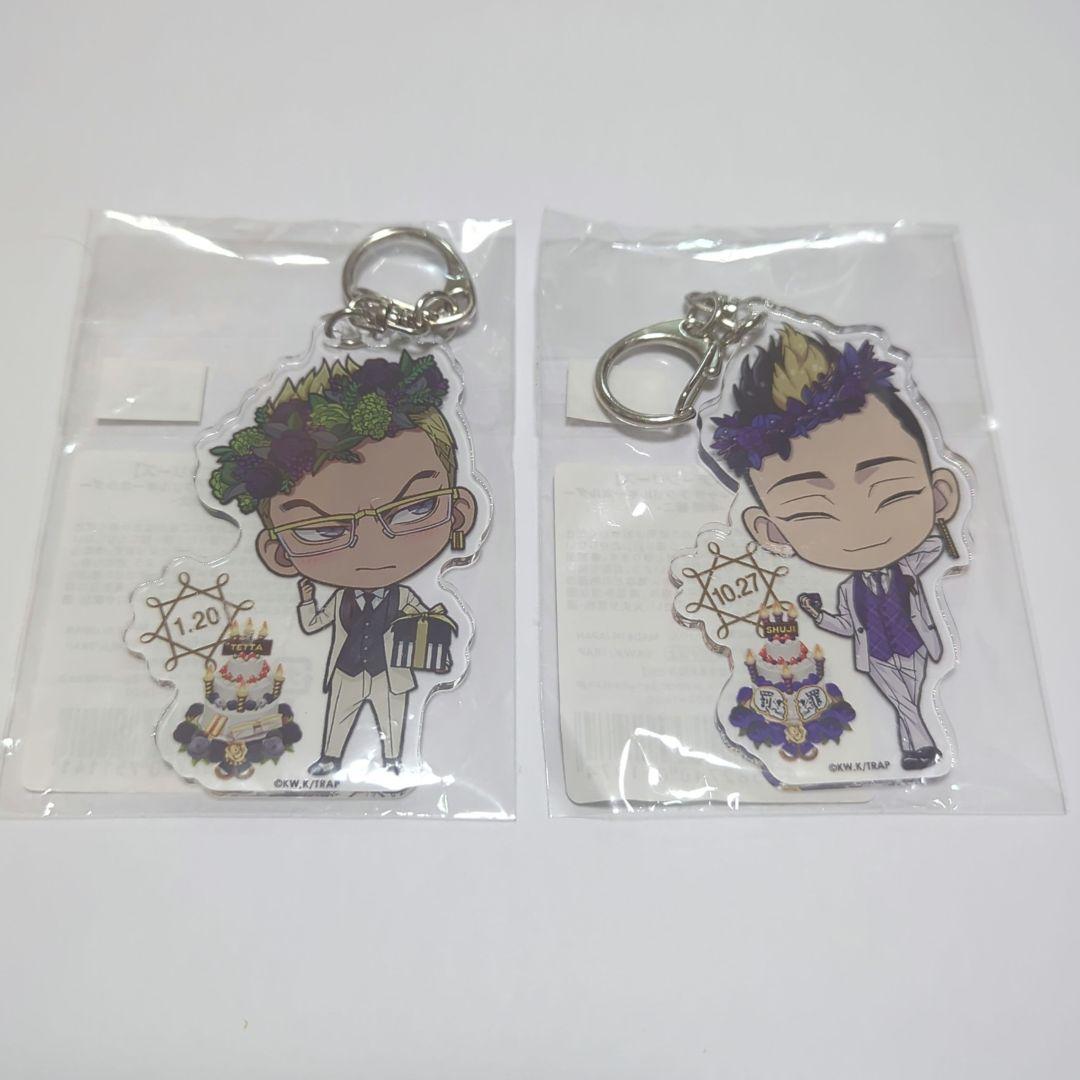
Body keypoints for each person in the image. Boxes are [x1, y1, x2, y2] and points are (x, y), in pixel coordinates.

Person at [208, 352, 477, 775]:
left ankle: (394, 760)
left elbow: (422, 615)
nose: (372, 545)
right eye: (321, 529)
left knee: (393, 717)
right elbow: (315, 623)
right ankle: (331, 758)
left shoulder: (403, 596)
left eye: (413, 508)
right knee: (338, 714)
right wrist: (306, 600)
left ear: (458, 514)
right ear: (279, 553)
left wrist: (434, 618)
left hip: (392, 672)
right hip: (347, 672)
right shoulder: (341, 602)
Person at [710, 326, 960, 770]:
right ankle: (920, 746)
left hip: (916, 646)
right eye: (812, 511)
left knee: (910, 694)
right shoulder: (848, 591)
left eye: (892, 493)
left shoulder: (911, 565)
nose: (858, 522)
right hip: (877, 654)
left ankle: (917, 743)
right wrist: (815, 613)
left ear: (940, 495)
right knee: (901, 698)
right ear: (771, 532)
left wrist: (947, 537)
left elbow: (935, 549)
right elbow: (846, 625)